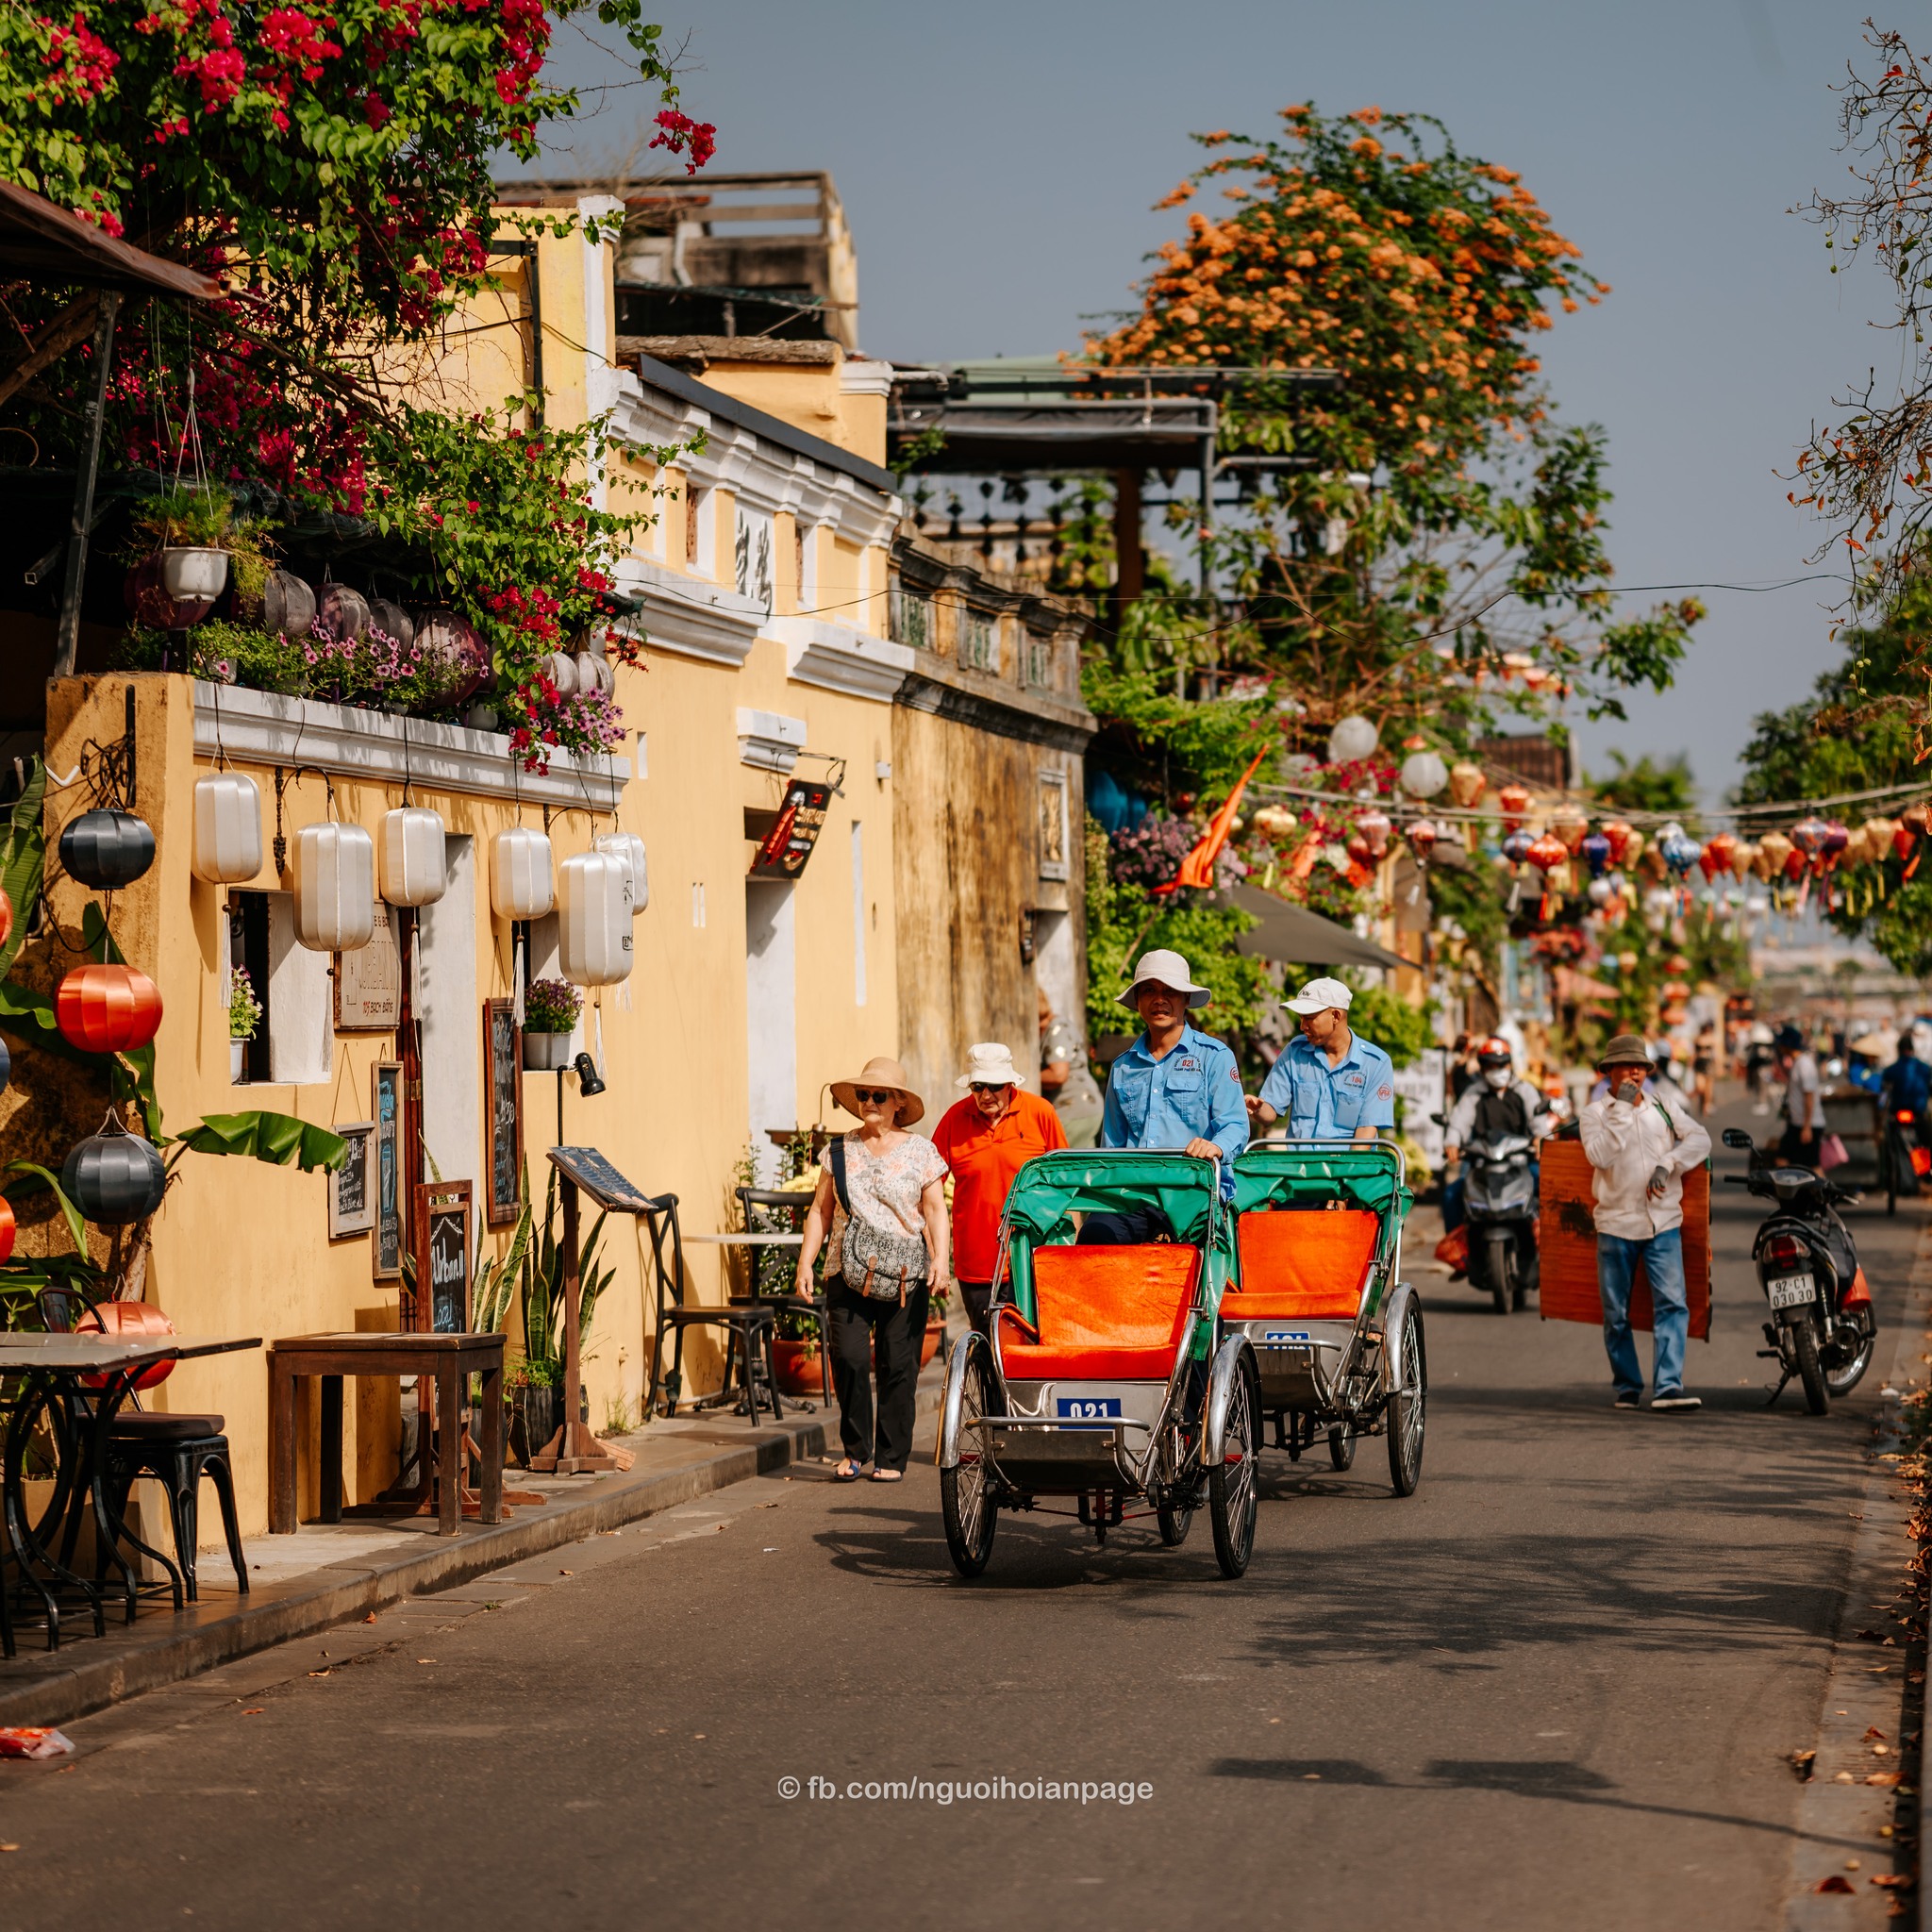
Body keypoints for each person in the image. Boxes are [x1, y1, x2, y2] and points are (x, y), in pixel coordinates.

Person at [794, 1057, 951, 1484]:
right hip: (846, 1269)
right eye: (863, 1095)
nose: (869, 1101)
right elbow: (820, 1211)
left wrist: (940, 1260)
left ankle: (892, 1455)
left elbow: (935, 1210)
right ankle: (856, 1450)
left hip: (904, 1274)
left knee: (898, 1365)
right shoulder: (839, 1150)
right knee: (848, 1357)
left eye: (878, 1095)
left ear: (898, 1102)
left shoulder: (922, 1152)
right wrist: (806, 1262)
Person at [1577, 1034, 1711, 1413]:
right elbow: (1600, 1156)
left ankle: (1668, 1386)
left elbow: (1700, 1140)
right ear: (1609, 1072)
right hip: (1615, 1226)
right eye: (1625, 1065)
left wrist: (1668, 1163)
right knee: (1615, 1314)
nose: (1634, 1071)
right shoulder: (1595, 1114)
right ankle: (1628, 1386)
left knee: (1672, 1304)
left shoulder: (1664, 1106)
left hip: (1662, 1223)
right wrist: (1620, 1108)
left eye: (1639, 1065)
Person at [1087, 948, 1247, 1242]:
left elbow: (1236, 1125)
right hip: (1132, 1193)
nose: (1159, 999)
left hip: (1194, 1191)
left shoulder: (1215, 1057)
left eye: (1170, 991)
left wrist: (1214, 1147)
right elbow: (1112, 1145)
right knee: (1095, 1236)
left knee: (1195, 1258)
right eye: (1149, 990)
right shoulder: (1122, 1067)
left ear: (1186, 999)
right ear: (1137, 1001)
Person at [931, 1041, 1066, 1338]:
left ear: (1009, 1084)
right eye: (978, 1086)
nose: (986, 1095)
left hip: (1031, 1259)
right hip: (976, 1265)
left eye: (994, 1085)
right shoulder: (954, 1119)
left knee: (1031, 1347)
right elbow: (928, 1188)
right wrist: (934, 1253)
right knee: (988, 1349)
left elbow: (1065, 1182)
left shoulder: (1040, 1112)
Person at [1247, 976, 1395, 1142]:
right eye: (1301, 1018)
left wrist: (1350, 1169)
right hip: (1299, 1167)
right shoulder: (1294, 1052)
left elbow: (1365, 1135)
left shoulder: (1376, 1063)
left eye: (1309, 1018)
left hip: (1348, 1166)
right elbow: (1270, 1111)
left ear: (1336, 1016)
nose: (1302, 1026)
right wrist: (1256, 1109)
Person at [1441, 1037, 1554, 1167]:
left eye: (1502, 1065)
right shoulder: (1473, 1093)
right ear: (1483, 1069)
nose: (1498, 1070)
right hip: (1481, 1163)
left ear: (1510, 1065)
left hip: (1522, 1161)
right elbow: (1459, 1121)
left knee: (1544, 1184)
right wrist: (1452, 1142)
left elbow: (1538, 1121)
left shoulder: (1524, 1090)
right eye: (1492, 1066)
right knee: (1454, 1187)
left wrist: (1541, 1139)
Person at [1038, 988, 1103, 1149]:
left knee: (1064, 1166)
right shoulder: (1047, 1028)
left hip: (1074, 1108)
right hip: (1083, 1109)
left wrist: (1025, 1077)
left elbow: (1058, 1074)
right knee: (1084, 1169)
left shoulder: (1057, 1028)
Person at [1774, 1023, 1824, 1167]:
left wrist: (1807, 1127)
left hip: (1808, 1124)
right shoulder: (1797, 1063)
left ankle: (1828, 1190)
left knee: (1813, 1166)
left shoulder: (1804, 1065)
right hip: (1797, 1123)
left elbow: (1809, 1096)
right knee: (1783, 1159)